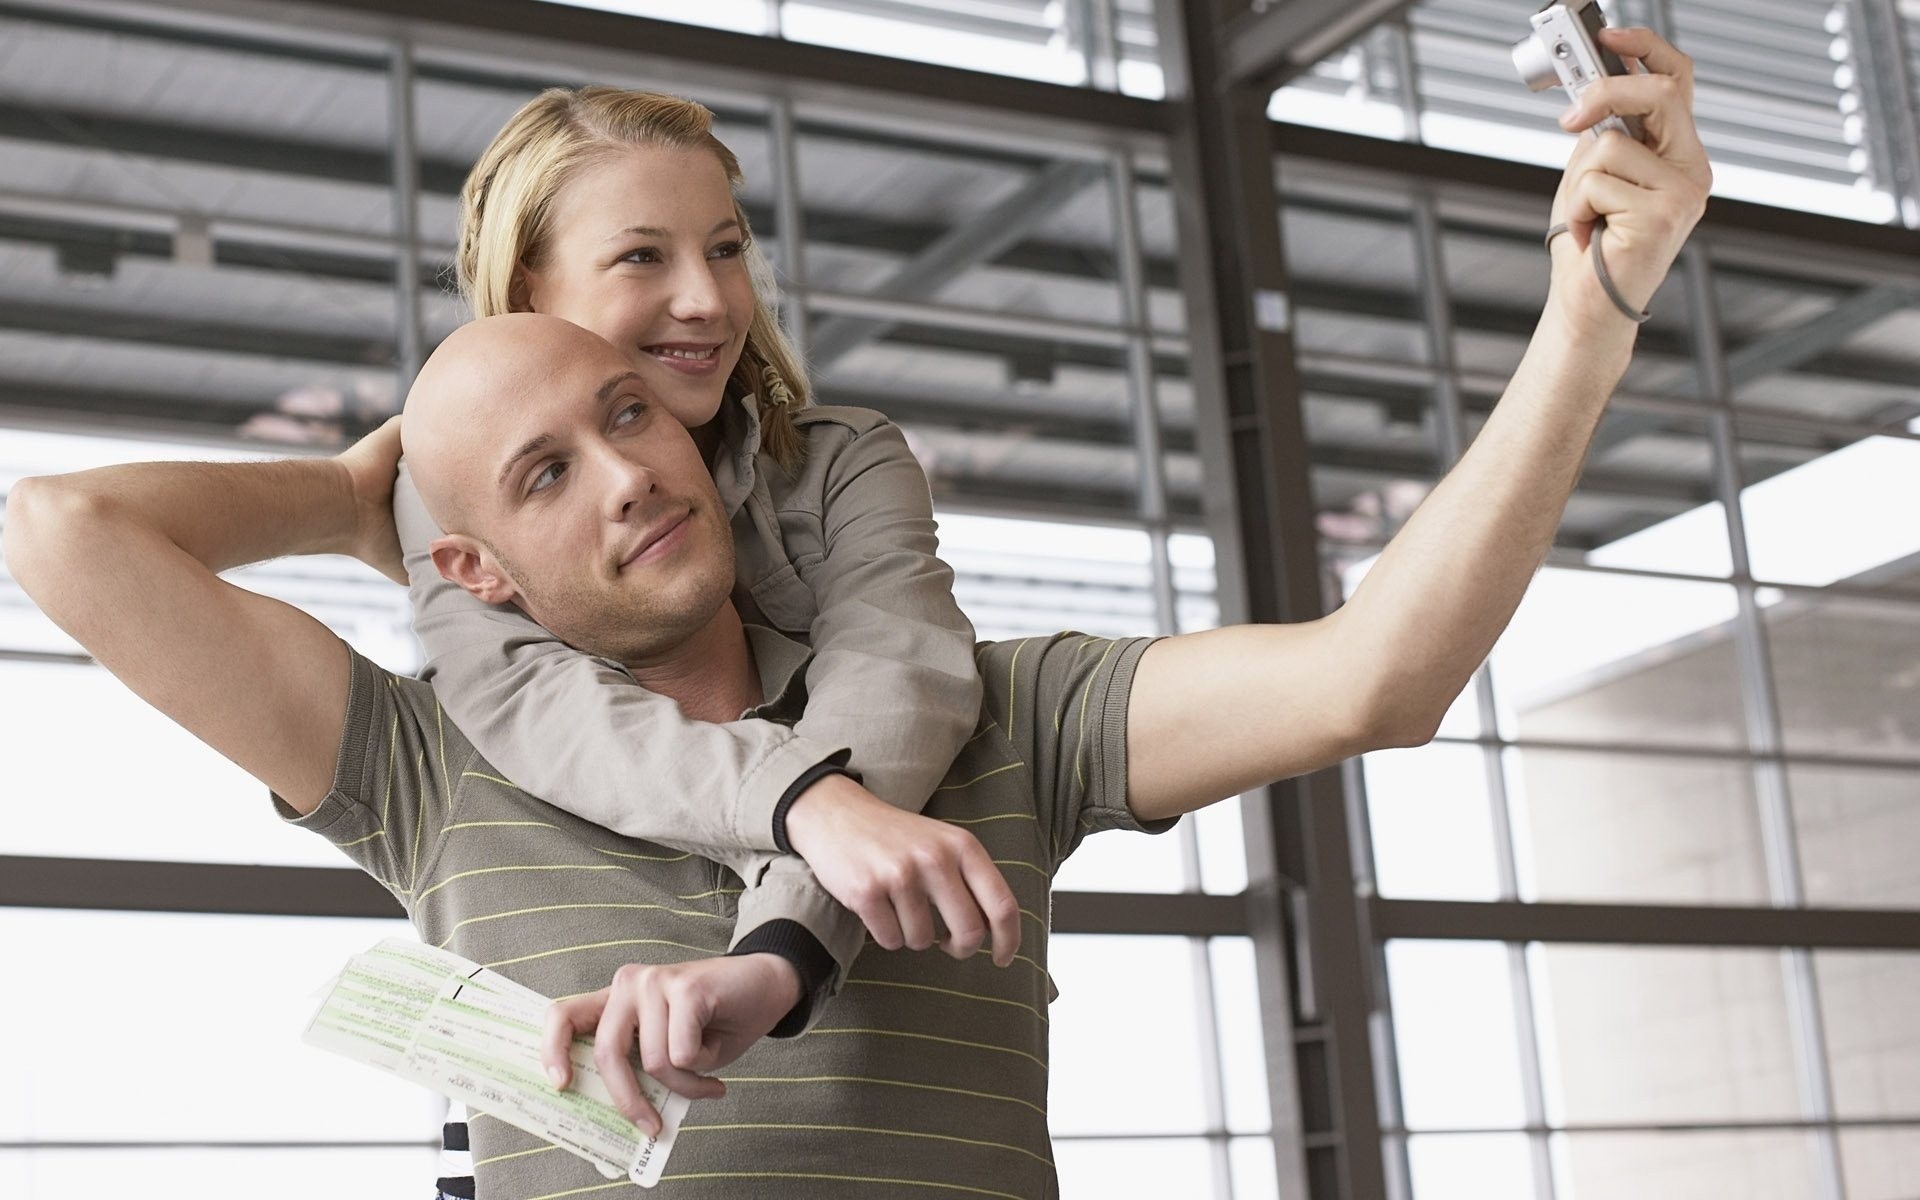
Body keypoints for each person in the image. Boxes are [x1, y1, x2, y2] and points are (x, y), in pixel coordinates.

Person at [3, 25, 1710, 1198]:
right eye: (538, 468)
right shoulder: (426, 756)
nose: (628, 451)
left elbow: (1378, 675)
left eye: (632, 406)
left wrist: (1595, 306)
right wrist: (376, 487)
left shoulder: (983, 711)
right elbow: (64, 529)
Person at [393, 84, 1014, 1042]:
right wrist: (804, 802)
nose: (709, 299)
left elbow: (896, 682)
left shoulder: (841, 460)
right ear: (528, 291)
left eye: (726, 249)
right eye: (644, 255)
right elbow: (545, 713)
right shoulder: (448, 490)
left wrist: (782, 947)